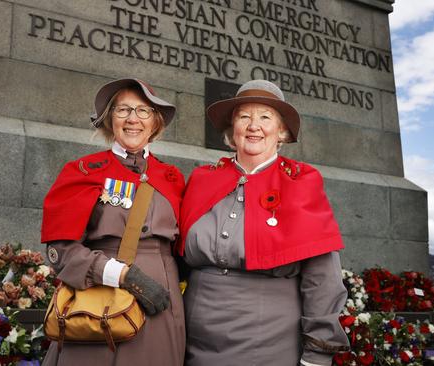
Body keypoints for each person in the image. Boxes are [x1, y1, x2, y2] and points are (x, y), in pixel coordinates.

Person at [177, 79, 350, 366]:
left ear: (281, 131)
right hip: (193, 336)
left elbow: (322, 278)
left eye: (265, 117)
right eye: (244, 116)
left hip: (267, 341)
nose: (253, 125)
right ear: (233, 129)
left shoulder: (302, 182)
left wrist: (318, 353)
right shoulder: (201, 179)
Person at [41, 78, 185, 365]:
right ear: (110, 120)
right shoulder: (82, 171)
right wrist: (123, 275)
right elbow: (62, 251)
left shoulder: (173, 178)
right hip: (98, 300)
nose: (133, 119)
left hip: (162, 303)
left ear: (155, 123)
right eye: (123, 110)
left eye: (143, 111)